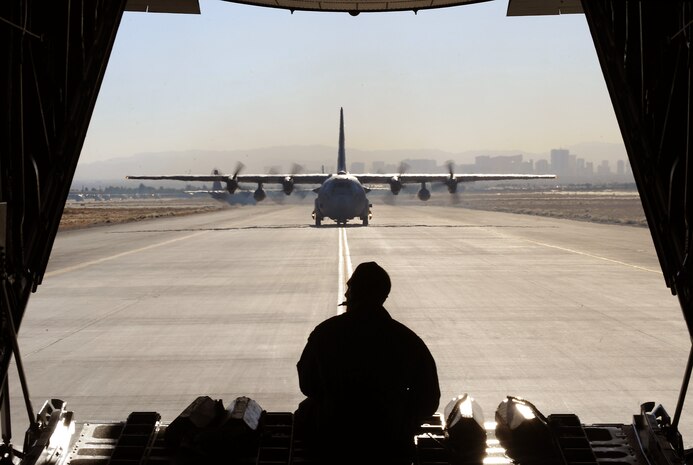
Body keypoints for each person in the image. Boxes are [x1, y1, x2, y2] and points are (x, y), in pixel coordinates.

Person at [296, 261, 440, 464]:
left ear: (354, 294)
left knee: (305, 412)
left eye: (349, 289)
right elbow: (429, 400)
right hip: (390, 443)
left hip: (334, 440)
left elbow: (307, 385)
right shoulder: (407, 340)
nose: (345, 295)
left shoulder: (325, 333)